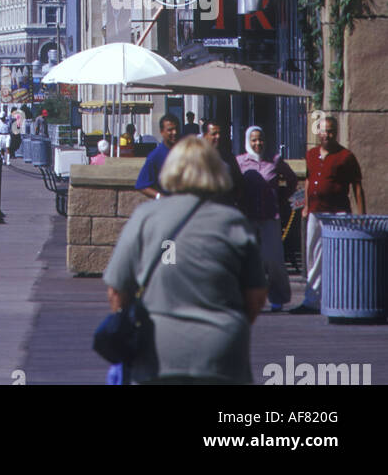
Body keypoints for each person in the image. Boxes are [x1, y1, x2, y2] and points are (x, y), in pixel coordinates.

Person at [104, 136, 267, 384]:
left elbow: (117, 290)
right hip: (221, 351)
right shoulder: (234, 222)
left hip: (157, 351)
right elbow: (255, 297)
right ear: (217, 171)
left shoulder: (145, 218)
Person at [292, 114, 366, 314]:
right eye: (324, 131)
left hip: (338, 213)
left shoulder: (346, 156)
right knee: (312, 256)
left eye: (331, 131)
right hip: (316, 212)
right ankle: (312, 301)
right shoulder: (311, 154)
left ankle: (339, 298)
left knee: (339, 256)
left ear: (336, 133)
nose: (327, 135)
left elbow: (357, 186)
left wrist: (361, 216)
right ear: (319, 132)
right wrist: (306, 206)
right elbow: (308, 180)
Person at [236, 125, 298, 312]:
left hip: (270, 216)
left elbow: (292, 179)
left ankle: (277, 297)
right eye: (253, 139)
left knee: (274, 260)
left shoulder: (274, 160)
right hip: (248, 217)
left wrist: (281, 197)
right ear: (248, 141)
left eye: (260, 139)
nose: (257, 143)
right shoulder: (240, 162)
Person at [135, 114, 180, 199]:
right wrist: (160, 197)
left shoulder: (187, 151)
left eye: (176, 129)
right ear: (162, 132)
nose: (175, 132)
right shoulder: (155, 156)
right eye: (170, 130)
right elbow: (142, 185)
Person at [202, 120, 245, 206]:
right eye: (214, 134)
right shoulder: (197, 157)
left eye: (219, 133)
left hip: (225, 206)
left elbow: (239, 183)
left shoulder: (229, 157)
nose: (218, 136)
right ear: (205, 136)